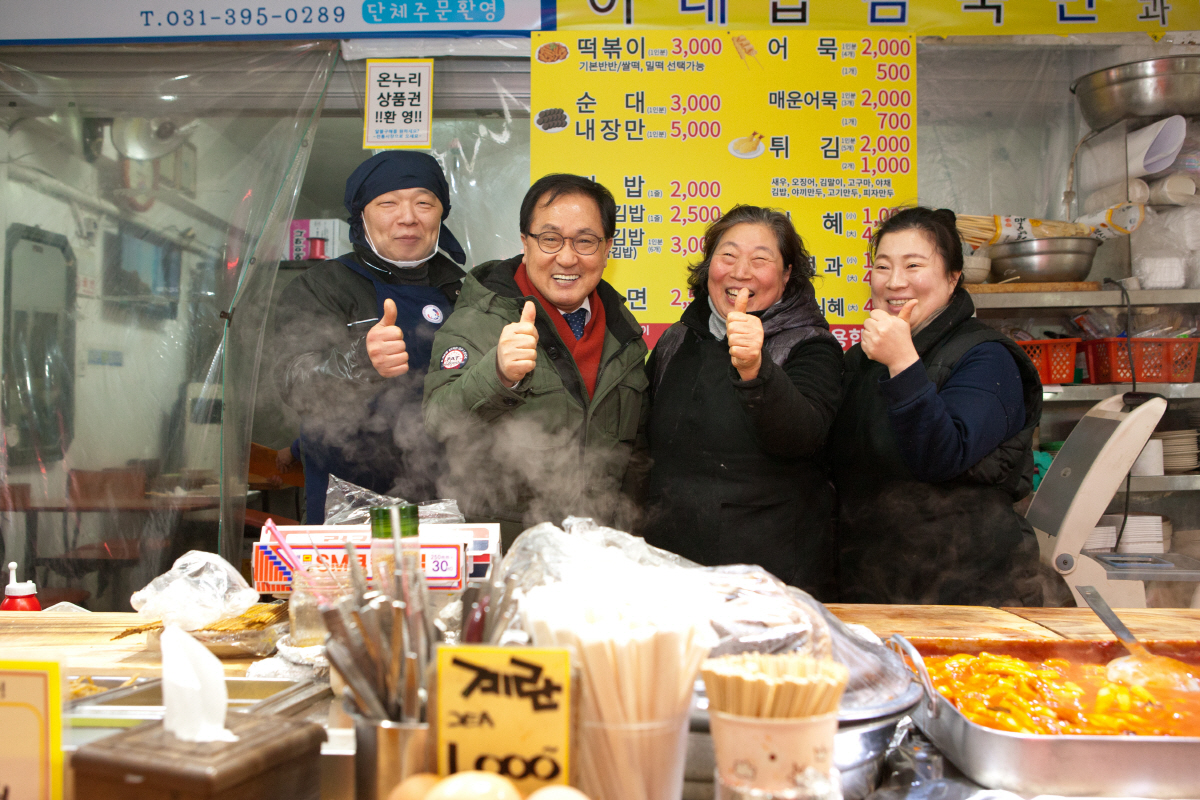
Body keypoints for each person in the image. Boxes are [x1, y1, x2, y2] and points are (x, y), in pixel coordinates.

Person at [828, 206, 1044, 606]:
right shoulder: (861, 360)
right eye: (882, 266)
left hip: (972, 590)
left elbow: (941, 455)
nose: (895, 282)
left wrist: (902, 363)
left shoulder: (988, 357)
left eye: (914, 266)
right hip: (876, 582)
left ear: (952, 277)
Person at [423, 174, 649, 544]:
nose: (567, 257)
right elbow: (437, 422)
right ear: (525, 243)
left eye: (585, 241)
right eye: (550, 239)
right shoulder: (479, 320)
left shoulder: (623, 334)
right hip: (508, 552)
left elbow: (636, 457)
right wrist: (497, 374)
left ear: (607, 248)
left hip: (597, 554)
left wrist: (629, 539)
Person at [640, 205, 843, 593]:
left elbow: (803, 436)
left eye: (760, 259)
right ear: (707, 268)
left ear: (786, 276)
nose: (741, 272)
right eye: (728, 256)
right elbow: (644, 447)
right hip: (673, 570)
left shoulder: (811, 346)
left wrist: (755, 368)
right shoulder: (676, 340)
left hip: (771, 577)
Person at [274, 151, 466, 523]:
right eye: (388, 203)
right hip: (349, 499)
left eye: (424, 203)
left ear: (440, 214)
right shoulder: (322, 286)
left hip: (448, 496)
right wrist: (359, 360)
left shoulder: (463, 291)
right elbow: (292, 381)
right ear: (362, 214)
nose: (407, 217)